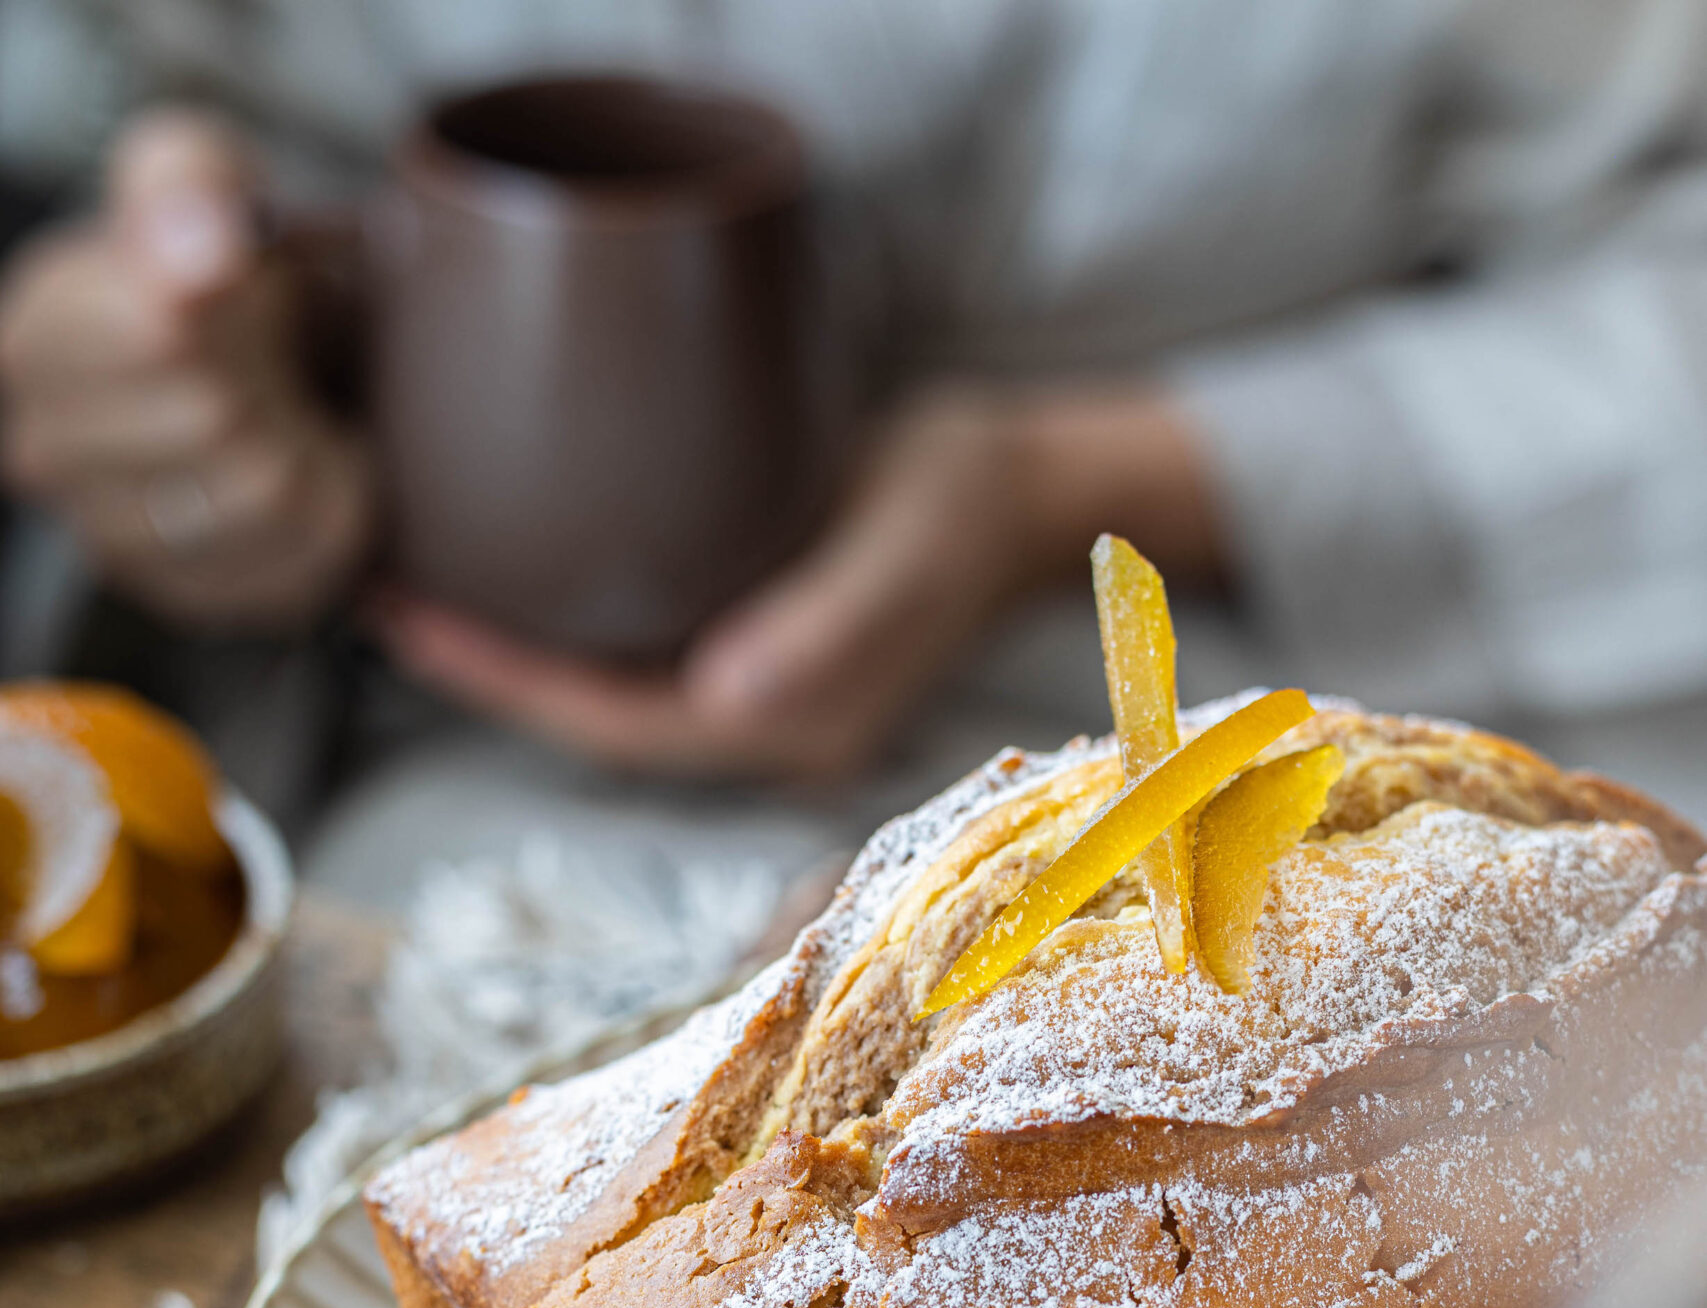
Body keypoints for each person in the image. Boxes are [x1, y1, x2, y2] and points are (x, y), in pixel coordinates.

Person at [4, 0, 1707, 814]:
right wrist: (170, 358)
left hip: (1289, 691)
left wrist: (1078, 487)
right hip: (450, 749)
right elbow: (119, 123)